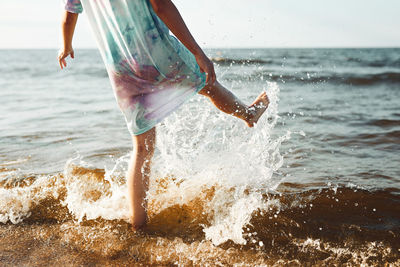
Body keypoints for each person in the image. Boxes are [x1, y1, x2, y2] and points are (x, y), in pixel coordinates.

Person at [58, 0, 269, 231]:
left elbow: (70, 13)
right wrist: (198, 52)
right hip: (158, 52)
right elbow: (161, 6)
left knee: (141, 149)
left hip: (121, 67)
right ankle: (249, 114)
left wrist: (66, 46)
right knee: (208, 84)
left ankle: (138, 226)